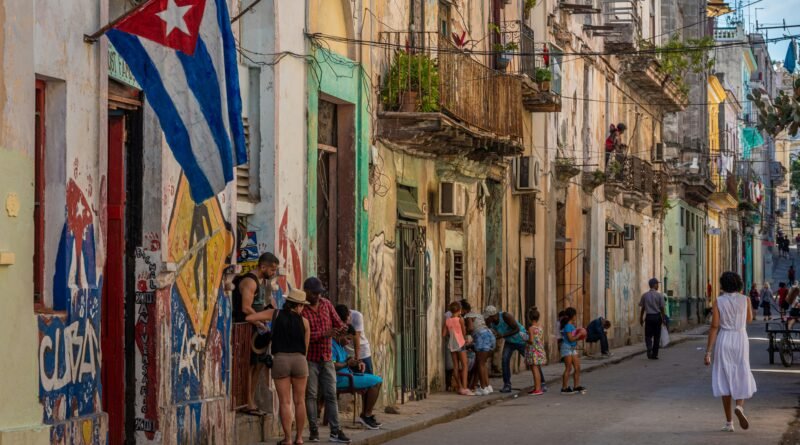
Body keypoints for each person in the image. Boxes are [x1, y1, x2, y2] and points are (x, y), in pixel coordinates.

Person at [245, 289, 310, 445]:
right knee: (300, 401)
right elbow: (305, 349)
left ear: (288, 302)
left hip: (281, 360)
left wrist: (263, 326)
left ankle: (287, 439)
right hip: (300, 360)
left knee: (285, 402)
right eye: (302, 306)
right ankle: (299, 438)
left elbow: (249, 317)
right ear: (299, 305)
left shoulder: (275, 314)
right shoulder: (305, 322)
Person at [704, 271, 757, 432]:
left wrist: (708, 352)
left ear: (723, 285)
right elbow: (749, 319)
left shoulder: (718, 301)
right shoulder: (745, 299)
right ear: (739, 284)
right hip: (740, 338)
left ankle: (729, 423)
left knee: (724, 378)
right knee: (741, 372)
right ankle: (739, 406)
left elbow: (714, 326)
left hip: (724, 339)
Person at [302, 277, 350, 443]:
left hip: (327, 357)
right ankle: (313, 430)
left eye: (319, 293)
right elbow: (303, 335)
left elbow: (338, 322)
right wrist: (324, 334)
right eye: (314, 293)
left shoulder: (326, 304)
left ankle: (335, 430)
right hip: (310, 358)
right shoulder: (302, 309)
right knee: (311, 395)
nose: (318, 296)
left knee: (331, 394)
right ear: (306, 292)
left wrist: (342, 331)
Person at [233, 252, 280, 415]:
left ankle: (251, 400)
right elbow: (246, 308)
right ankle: (247, 402)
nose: (273, 273)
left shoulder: (262, 282)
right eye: (272, 269)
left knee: (258, 365)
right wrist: (259, 321)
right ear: (263, 266)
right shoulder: (250, 281)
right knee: (249, 366)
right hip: (248, 329)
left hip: (258, 331)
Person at [332, 326, 383, 430]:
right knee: (376, 381)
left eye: (350, 340)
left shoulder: (340, 345)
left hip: (348, 375)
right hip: (341, 379)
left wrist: (357, 362)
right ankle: (366, 416)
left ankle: (366, 415)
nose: (348, 342)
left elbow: (347, 358)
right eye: (348, 339)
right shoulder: (332, 345)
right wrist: (347, 363)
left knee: (377, 380)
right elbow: (332, 366)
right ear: (341, 334)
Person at [484, 305, 529, 393]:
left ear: (492, 316)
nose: (486, 319)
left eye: (487, 317)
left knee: (531, 360)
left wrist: (502, 335)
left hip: (520, 340)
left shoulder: (505, 316)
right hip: (509, 342)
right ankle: (507, 385)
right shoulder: (491, 323)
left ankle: (541, 381)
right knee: (504, 360)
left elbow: (516, 329)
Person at [461, 300, 496, 395]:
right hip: (490, 336)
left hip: (482, 337)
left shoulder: (468, 316)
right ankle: (488, 386)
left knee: (480, 363)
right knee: (483, 363)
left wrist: (464, 332)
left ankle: (483, 388)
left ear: (464, 310)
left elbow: (471, 328)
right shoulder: (477, 314)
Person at [443, 301, 472, 396]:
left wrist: (451, 331)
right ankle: (465, 388)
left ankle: (460, 387)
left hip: (452, 345)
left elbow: (443, 334)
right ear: (459, 310)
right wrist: (465, 339)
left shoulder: (447, 320)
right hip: (460, 343)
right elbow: (464, 332)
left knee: (455, 366)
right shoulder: (460, 320)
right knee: (464, 365)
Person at [334, 305, 374, 375]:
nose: (345, 325)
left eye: (347, 321)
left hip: (362, 353)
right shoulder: (334, 346)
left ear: (349, 314)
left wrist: (358, 361)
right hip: (347, 355)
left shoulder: (357, 316)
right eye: (343, 323)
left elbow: (356, 340)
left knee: (367, 376)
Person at [560, 307, 585, 395]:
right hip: (566, 347)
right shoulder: (567, 326)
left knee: (577, 367)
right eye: (575, 315)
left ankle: (576, 386)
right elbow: (571, 339)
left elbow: (574, 339)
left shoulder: (572, 326)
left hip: (572, 348)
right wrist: (579, 334)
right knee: (569, 368)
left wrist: (580, 335)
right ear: (573, 316)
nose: (575, 317)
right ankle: (564, 388)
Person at [639, 278, 666, 360]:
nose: (658, 286)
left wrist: (641, 318)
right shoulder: (659, 295)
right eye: (657, 284)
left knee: (648, 335)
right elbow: (662, 308)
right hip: (657, 317)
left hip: (649, 317)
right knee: (657, 336)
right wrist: (663, 318)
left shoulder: (644, 295)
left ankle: (649, 347)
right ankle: (654, 354)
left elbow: (643, 308)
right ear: (654, 285)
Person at [525, 307, 547, 396]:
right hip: (540, 349)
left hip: (533, 350)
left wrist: (525, 339)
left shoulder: (531, 328)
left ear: (529, 318)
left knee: (534, 370)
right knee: (537, 369)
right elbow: (539, 338)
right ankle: (537, 388)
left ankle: (537, 389)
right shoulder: (541, 327)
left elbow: (531, 341)